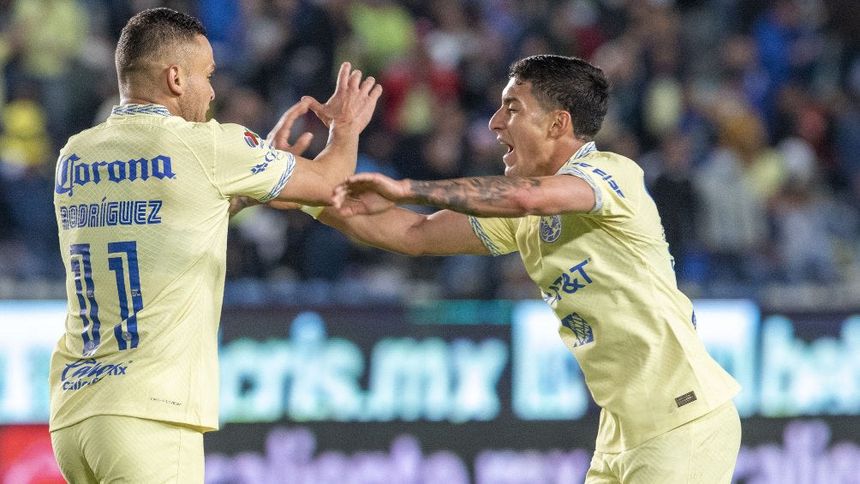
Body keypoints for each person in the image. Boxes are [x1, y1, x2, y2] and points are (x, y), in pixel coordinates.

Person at [322, 55, 742, 483]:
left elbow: (526, 196)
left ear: (558, 124)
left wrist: (407, 188)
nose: (494, 122)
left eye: (512, 108)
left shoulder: (612, 174)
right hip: (621, 433)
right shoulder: (526, 214)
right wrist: (306, 187)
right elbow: (413, 233)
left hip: (682, 420)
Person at [48, 8, 381, 483]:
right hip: (151, 414)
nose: (212, 91)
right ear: (175, 78)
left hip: (75, 414)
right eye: (207, 75)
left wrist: (248, 185)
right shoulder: (205, 145)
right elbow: (331, 184)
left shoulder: (75, 154)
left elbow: (168, 216)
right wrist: (345, 127)